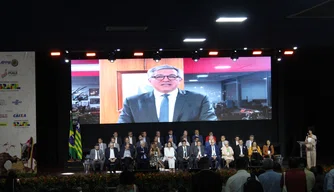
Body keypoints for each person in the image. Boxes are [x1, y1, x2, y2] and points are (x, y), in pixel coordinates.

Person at [117, 65, 217, 123]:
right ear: (150, 80)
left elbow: (210, 125)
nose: (165, 80)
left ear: (180, 79)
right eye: (159, 76)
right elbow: (123, 128)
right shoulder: (132, 102)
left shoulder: (199, 99)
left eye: (172, 76)